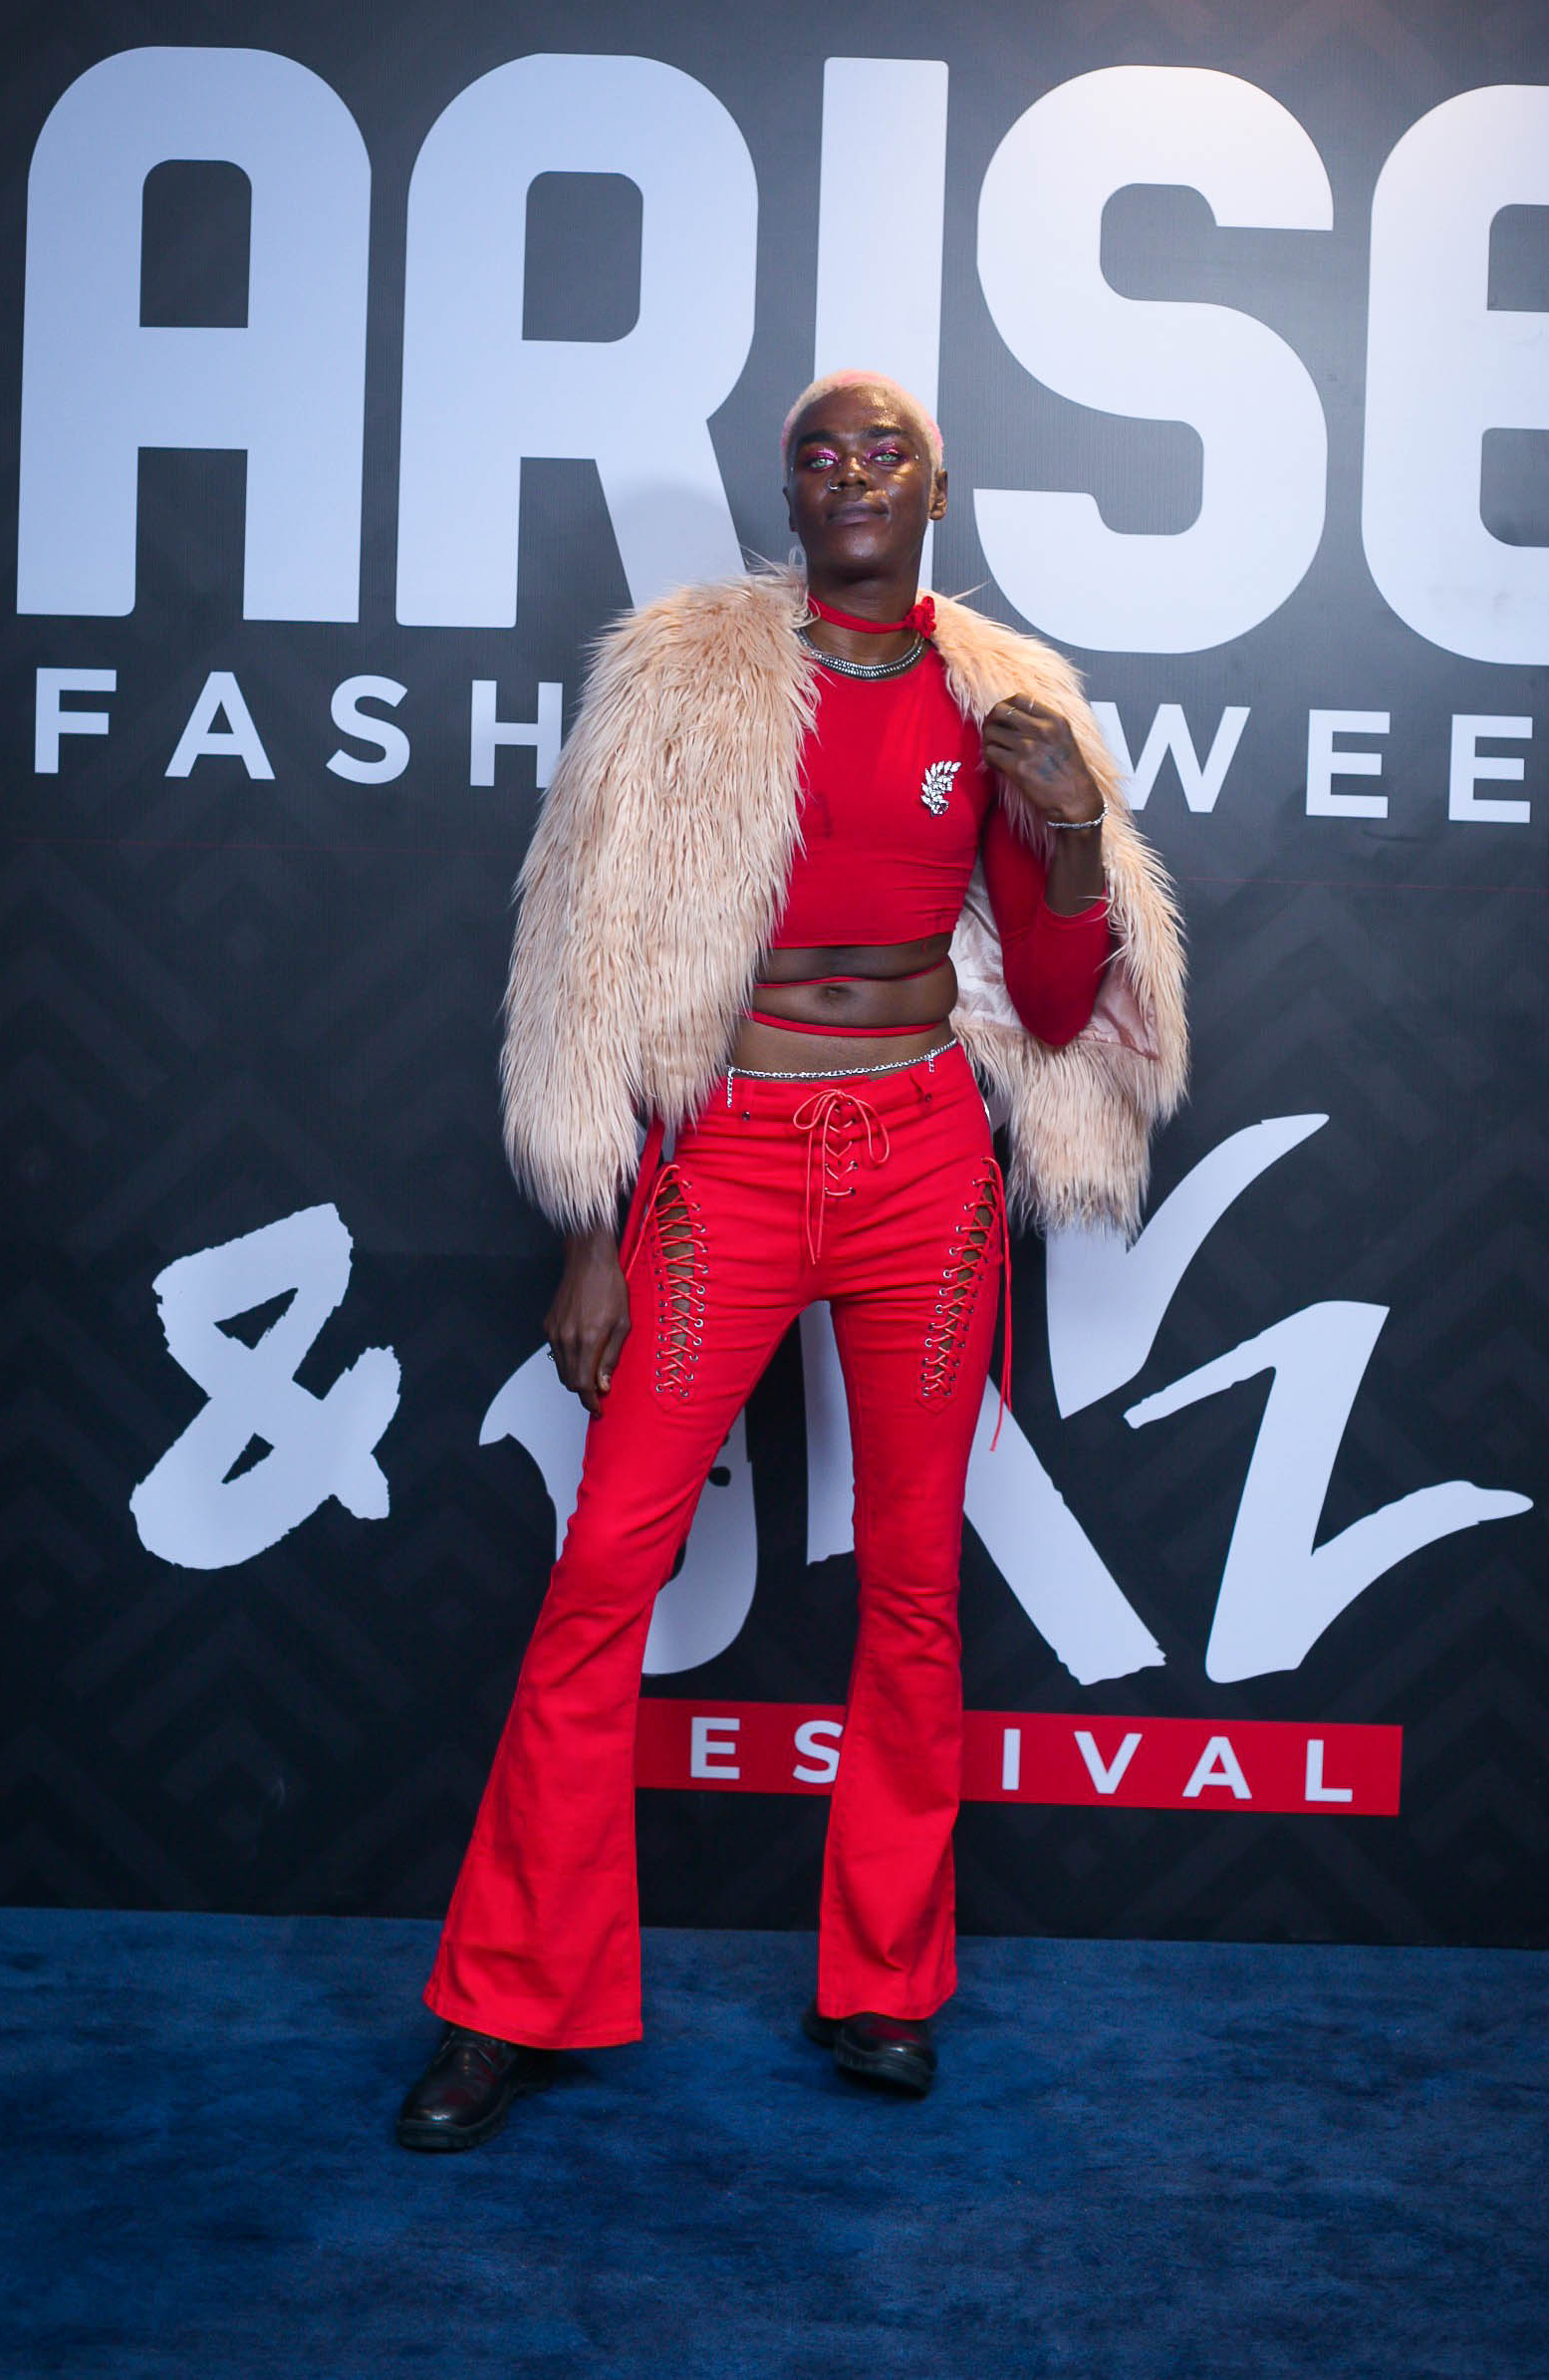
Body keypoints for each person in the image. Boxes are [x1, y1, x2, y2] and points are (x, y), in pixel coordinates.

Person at [395, 372, 1187, 2150]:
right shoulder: (684, 677)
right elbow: (586, 952)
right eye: (820, 454)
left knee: (913, 1586)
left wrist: (1070, 823)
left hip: (923, 1165)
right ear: (791, 495)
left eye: (884, 451)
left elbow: (1058, 1000)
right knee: (604, 1569)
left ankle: (884, 1984)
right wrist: (592, 1225)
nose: (852, 473)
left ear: (936, 491)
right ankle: (510, 2000)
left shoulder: (1005, 697)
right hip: (731, 1158)